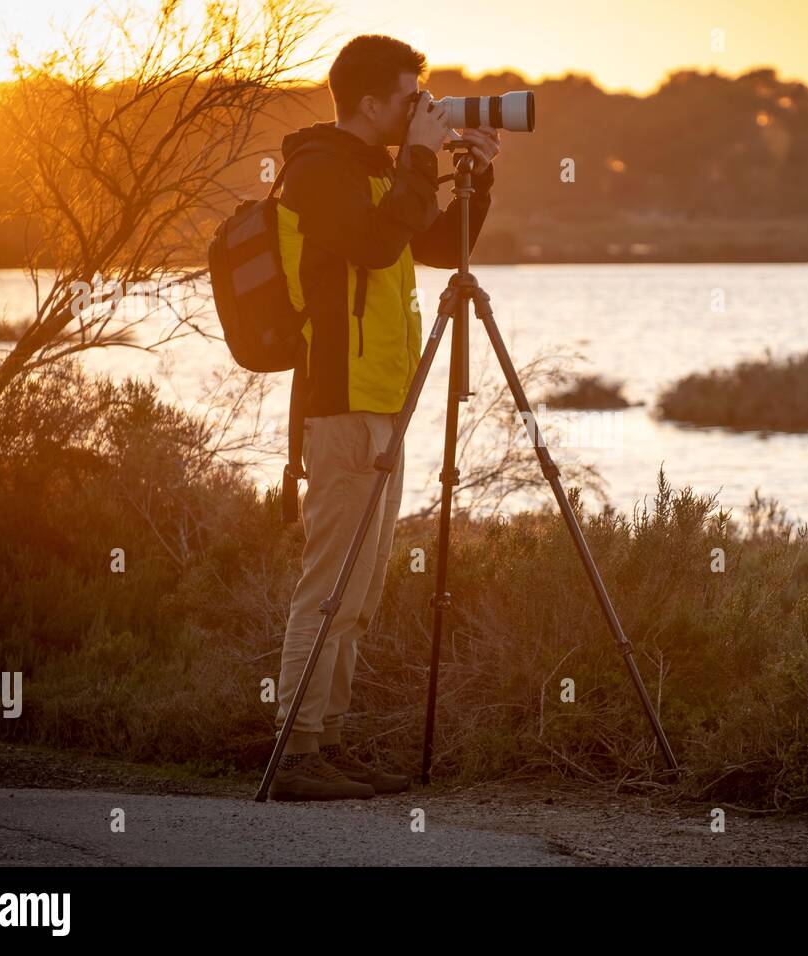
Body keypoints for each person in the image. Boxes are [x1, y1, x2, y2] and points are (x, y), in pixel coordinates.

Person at [269, 34, 500, 800]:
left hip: (384, 400)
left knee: (361, 590)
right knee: (328, 582)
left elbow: (433, 243)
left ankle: (328, 741)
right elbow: (371, 246)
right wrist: (421, 160)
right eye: (409, 98)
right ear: (370, 102)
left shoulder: (374, 170)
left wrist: (477, 177)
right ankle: (296, 753)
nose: (420, 110)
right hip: (339, 402)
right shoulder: (318, 171)